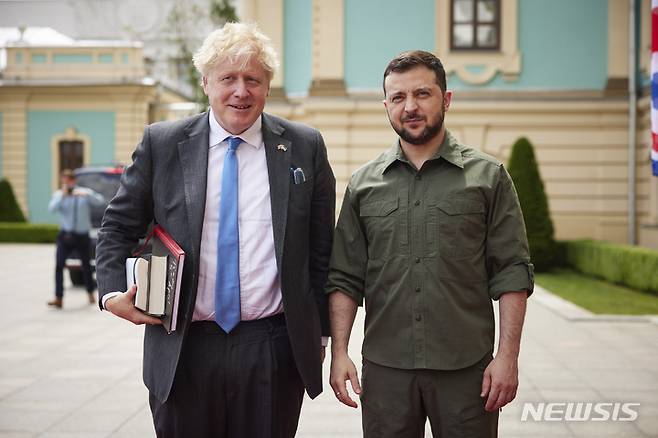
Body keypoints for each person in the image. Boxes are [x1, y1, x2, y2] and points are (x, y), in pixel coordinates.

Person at [95, 22, 335, 438]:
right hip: (185, 344)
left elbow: (321, 248)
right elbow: (117, 226)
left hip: (272, 346)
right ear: (206, 82)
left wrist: (324, 335)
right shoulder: (163, 143)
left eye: (253, 80)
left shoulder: (304, 145)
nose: (241, 91)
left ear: (267, 86)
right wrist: (113, 292)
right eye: (228, 78)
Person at [326, 50, 534, 438]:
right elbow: (345, 277)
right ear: (386, 105)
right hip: (386, 371)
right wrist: (340, 353)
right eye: (398, 98)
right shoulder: (363, 184)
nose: (410, 107)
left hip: (467, 371)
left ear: (446, 98)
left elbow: (512, 272)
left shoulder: (489, 178)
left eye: (422, 94)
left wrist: (508, 357)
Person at [48, 168, 104, 309]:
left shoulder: (83, 193)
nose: (67, 184)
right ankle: (58, 298)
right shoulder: (59, 195)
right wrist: (63, 197)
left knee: (86, 266)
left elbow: (100, 201)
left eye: (69, 181)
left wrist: (87, 195)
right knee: (59, 265)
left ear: (74, 181)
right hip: (65, 236)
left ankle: (90, 293)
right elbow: (51, 209)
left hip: (82, 236)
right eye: (64, 181)